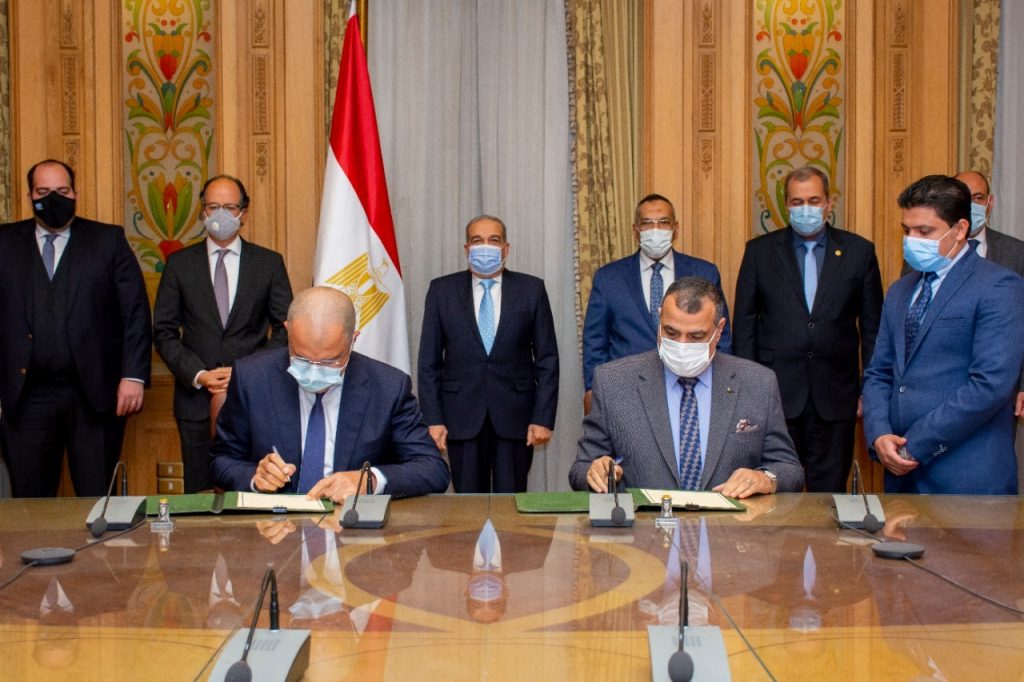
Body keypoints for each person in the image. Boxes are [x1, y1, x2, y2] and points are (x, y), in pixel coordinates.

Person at [862, 175, 1024, 494]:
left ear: (960, 230)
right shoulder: (900, 291)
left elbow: (990, 385)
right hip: (900, 476)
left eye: (924, 232)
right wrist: (879, 435)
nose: (912, 240)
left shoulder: (999, 286)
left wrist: (915, 446)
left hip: (967, 478)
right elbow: (879, 372)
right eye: (907, 231)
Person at [569, 276, 803, 497]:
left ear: (719, 330)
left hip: (730, 524)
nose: (681, 345)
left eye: (696, 336)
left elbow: (789, 469)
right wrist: (595, 472)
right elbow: (580, 469)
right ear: (659, 320)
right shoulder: (613, 382)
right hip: (644, 524)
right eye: (671, 332)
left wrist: (765, 478)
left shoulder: (758, 383)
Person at [210, 286, 449, 501]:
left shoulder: (388, 387)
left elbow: (432, 468)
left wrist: (369, 480)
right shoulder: (252, 378)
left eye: (330, 361)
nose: (314, 371)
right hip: (275, 524)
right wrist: (256, 476)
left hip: (351, 526)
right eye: (302, 358)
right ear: (288, 331)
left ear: (353, 339)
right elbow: (221, 460)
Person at [0, 159, 151, 497]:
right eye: (43, 192)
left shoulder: (108, 240)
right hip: (25, 398)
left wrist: (133, 376)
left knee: (97, 499)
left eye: (62, 190)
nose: (54, 198)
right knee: (30, 503)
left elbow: (135, 312)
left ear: (75, 193)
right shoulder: (5, 243)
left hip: (94, 395)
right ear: (29, 196)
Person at [733, 167, 883, 492]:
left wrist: (869, 391)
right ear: (786, 205)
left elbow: (873, 330)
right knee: (773, 489)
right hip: (776, 394)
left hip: (837, 396)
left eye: (813, 200)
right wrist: (748, 390)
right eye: (797, 201)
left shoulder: (859, 252)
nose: (806, 209)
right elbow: (744, 326)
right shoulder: (760, 252)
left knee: (829, 495)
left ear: (829, 202)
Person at [153, 174, 293, 493]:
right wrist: (199, 374)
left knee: (252, 488)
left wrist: (246, 372)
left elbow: (285, 329)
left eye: (229, 207)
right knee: (199, 492)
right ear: (202, 211)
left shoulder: (268, 263)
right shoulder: (179, 264)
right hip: (195, 401)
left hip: (253, 397)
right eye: (213, 206)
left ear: (243, 212)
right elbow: (163, 331)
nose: (220, 214)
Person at [418, 215, 559, 493]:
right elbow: (429, 363)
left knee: (511, 504)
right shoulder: (441, 291)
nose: (485, 247)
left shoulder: (531, 290)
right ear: (466, 249)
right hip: (461, 417)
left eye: (493, 240)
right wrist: (433, 419)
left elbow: (547, 361)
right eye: (477, 240)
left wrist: (542, 418)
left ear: (506, 248)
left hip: (515, 418)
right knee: (468, 506)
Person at [582, 193, 732, 410]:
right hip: (626, 389)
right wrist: (593, 389)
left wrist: (721, 388)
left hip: (691, 387)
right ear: (636, 231)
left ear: (675, 229)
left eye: (663, 222)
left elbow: (721, 338)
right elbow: (595, 342)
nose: (655, 229)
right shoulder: (609, 278)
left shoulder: (704, 272)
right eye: (647, 223)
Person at [954, 170, 1024, 493]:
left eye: (978, 198)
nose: (971, 205)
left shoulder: (1016, 253)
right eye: (963, 198)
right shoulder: (931, 250)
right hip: (946, 386)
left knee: (993, 476)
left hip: (1002, 387)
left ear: (990, 203)